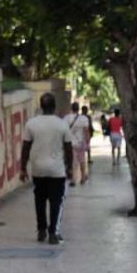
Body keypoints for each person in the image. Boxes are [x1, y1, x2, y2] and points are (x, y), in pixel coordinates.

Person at [19, 92, 73, 245]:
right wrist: (69, 168)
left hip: (38, 169)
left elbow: (25, 147)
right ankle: (53, 233)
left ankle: (41, 230)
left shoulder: (31, 124)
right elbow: (69, 148)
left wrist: (22, 168)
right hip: (57, 170)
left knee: (40, 200)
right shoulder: (62, 124)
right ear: (54, 106)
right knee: (57, 201)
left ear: (40, 106)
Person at [63, 102, 91, 186]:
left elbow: (64, 130)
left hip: (70, 143)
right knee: (82, 161)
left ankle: (73, 180)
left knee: (73, 162)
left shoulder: (66, 118)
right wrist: (87, 142)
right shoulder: (83, 118)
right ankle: (82, 178)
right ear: (78, 109)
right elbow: (86, 131)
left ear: (71, 108)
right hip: (80, 143)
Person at [81, 105, 94, 170]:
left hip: (85, 133)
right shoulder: (87, 117)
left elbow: (90, 125)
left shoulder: (80, 117)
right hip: (85, 133)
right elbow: (90, 125)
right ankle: (87, 158)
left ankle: (88, 158)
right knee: (86, 146)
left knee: (87, 146)